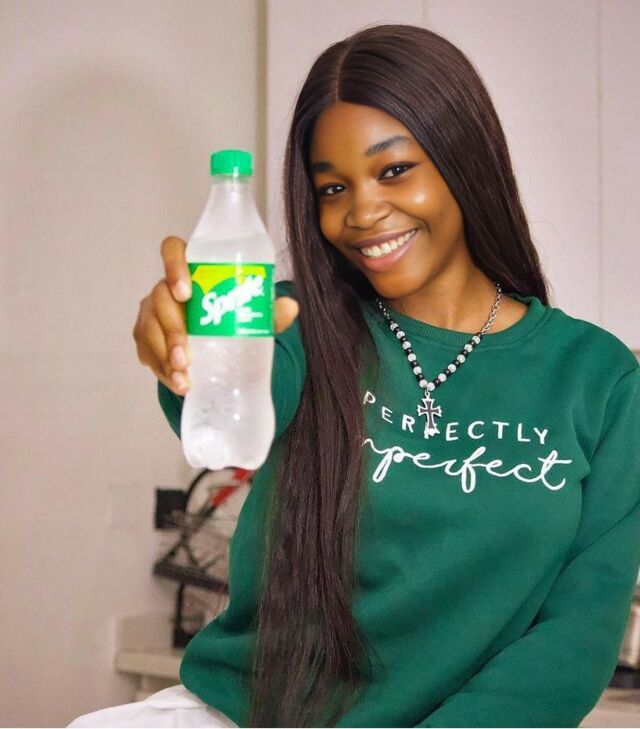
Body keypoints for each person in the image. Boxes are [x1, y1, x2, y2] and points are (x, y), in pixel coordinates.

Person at [70, 22, 640, 729]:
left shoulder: (599, 379)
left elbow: (575, 637)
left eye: (393, 170)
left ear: (464, 159)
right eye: (333, 187)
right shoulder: (294, 323)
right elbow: (229, 397)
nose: (362, 213)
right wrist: (187, 350)